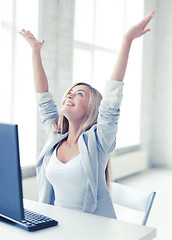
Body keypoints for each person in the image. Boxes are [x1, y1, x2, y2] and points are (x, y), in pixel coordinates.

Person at [19, 10, 155, 219]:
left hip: (91, 228)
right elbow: (43, 98)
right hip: (58, 226)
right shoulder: (56, 135)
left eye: (79, 94)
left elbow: (112, 98)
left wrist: (127, 41)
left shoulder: (99, 140)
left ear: (92, 108)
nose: (70, 95)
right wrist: (35, 51)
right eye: (70, 92)